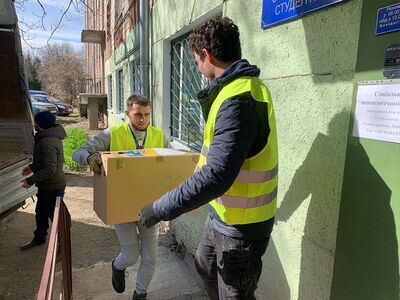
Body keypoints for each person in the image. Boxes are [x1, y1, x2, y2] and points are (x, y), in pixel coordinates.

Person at [139, 16, 278, 299]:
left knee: (234, 292)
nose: (198, 68)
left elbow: (216, 175)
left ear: (207, 55)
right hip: (221, 217)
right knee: (205, 268)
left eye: (196, 61)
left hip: (241, 230)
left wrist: (159, 208)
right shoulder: (231, 91)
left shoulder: (239, 100)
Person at [72, 95, 165, 300]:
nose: (143, 119)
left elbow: (171, 163)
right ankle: (118, 265)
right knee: (131, 256)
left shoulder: (159, 136)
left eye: (147, 115)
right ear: (127, 114)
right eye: (138, 114)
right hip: (121, 204)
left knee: (150, 257)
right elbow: (77, 153)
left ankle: (140, 294)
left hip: (150, 205)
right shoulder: (112, 134)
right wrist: (90, 158)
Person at [20, 111, 66, 250]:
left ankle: (62, 246)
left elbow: (49, 169)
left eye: (36, 122)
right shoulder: (45, 137)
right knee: (40, 214)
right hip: (46, 186)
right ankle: (39, 238)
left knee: (55, 218)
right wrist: (32, 167)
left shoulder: (48, 142)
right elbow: (44, 161)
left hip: (53, 187)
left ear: (41, 125)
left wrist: (31, 180)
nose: (34, 124)